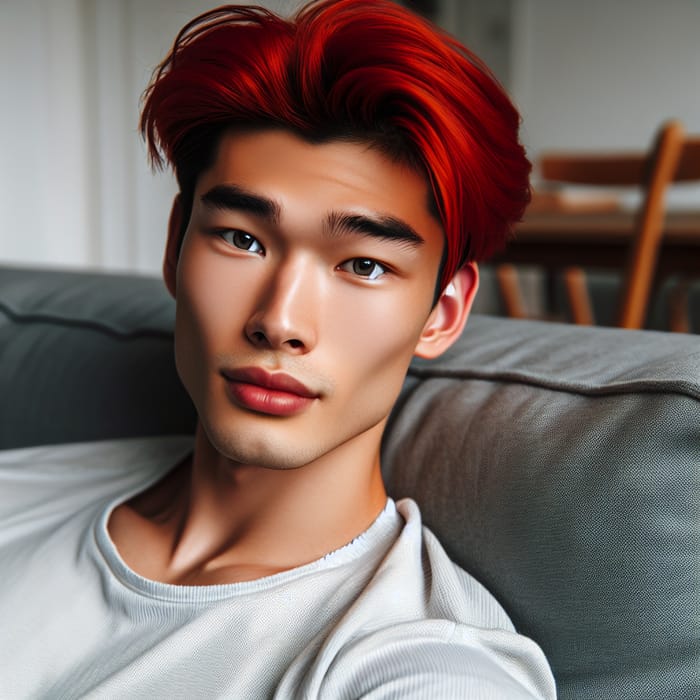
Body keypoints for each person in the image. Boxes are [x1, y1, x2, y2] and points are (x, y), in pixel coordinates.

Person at [0, 1, 556, 697]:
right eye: (243, 239)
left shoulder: (421, 664)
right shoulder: (19, 489)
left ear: (441, 313)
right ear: (175, 246)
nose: (279, 321)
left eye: (363, 265)